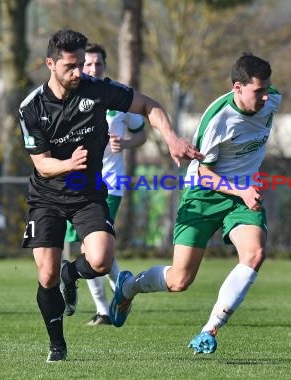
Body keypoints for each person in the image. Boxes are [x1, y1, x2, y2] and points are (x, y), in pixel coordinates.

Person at [19, 29, 203, 363]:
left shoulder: (98, 90)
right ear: (50, 64)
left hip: (87, 192)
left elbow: (149, 105)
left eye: (81, 65)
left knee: (101, 261)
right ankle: (57, 344)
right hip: (46, 196)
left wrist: (172, 138)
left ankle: (70, 274)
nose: (79, 73)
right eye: (70, 66)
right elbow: (42, 165)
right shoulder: (31, 108)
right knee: (44, 275)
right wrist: (68, 163)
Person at [110, 53, 282, 354]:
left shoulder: (272, 100)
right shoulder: (218, 119)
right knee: (179, 280)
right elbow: (203, 174)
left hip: (242, 196)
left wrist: (243, 191)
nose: (266, 97)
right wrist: (240, 191)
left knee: (254, 254)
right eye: (259, 91)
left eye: (268, 89)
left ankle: (210, 329)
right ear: (237, 87)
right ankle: (128, 287)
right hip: (204, 193)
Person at [63, 42, 147, 326]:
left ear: (105, 66)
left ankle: (105, 309)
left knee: (93, 248)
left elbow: (141, 135)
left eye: (98, 64)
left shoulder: (118, 99)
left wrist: (125, 143)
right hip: (78, 184)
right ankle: (115, 299)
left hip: (111, 184)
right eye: (88, 64)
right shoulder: (72, 97)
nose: (93, 68)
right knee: (87, 250)